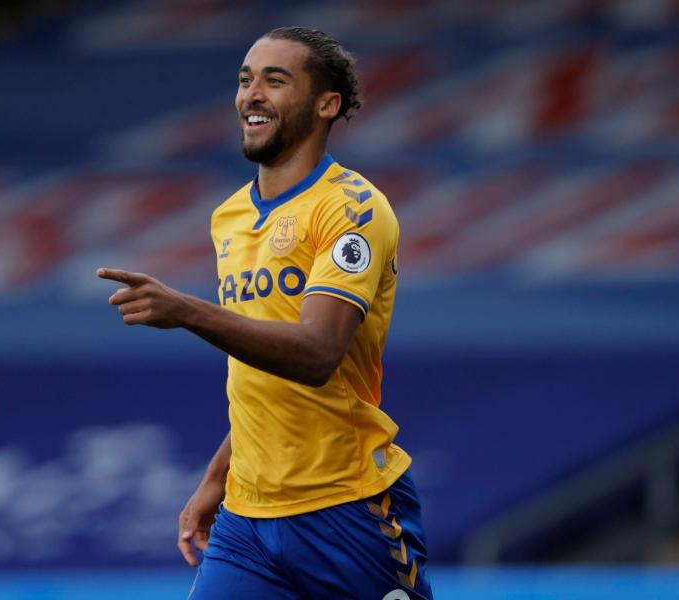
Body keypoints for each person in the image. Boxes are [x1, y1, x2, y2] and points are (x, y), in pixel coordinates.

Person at [97, 26, 432, 599]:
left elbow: (316, 354)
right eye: (245, 79)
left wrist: (186, 311)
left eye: (275, 80)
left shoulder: (352, 209)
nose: (251, 94)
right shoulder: (229, 217)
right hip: (247, 520)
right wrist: (217, 477)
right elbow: (260, 368)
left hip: (348, 509)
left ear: (326, 104)